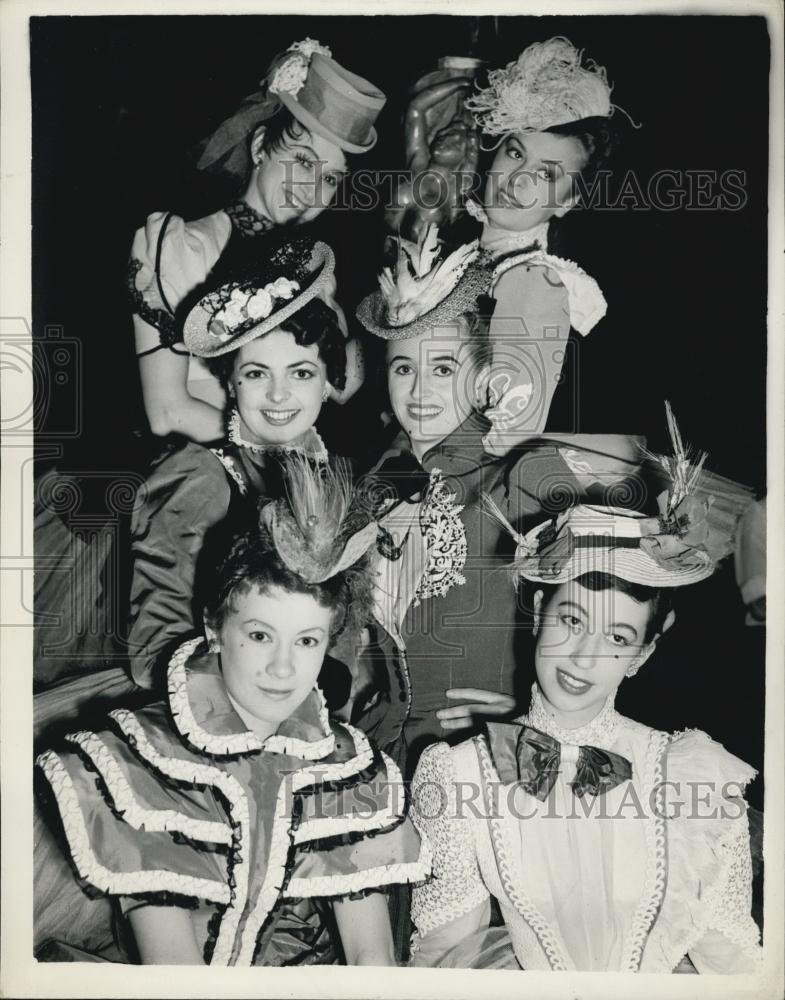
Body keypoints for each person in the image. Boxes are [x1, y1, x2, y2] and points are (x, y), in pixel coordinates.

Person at [34, 456, 431, 966]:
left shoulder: (348, 770)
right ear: (215, 629)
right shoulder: (145, 764)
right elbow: (174, 970)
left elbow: (372, 957)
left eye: (307, 640)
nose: (283, 668)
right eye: (260, 635)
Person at [409, 422, 762, 972]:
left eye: (617, 638)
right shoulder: (458, 774)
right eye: (571, 620)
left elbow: (734, 963)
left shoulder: (694, 775)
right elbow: (444, 957)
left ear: (642, 654)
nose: (582, 657)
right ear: (538, 615)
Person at [353, 225, 644, 780]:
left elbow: (647, 471)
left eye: (443, 368)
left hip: (486, 767)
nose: (420, 391)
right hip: (375, 764)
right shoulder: (368, 486)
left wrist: (535, 707)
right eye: (403, 368)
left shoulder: (519, 476)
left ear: (481, 374)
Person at [129, 38, 386, 442]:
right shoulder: (177, 245)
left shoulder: (313, 266)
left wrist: (396, 316)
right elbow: (166, 411)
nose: (313, 189)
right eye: (303, 160)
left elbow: (338, 388)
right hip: (204, 472)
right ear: (259, 146)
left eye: (331, 178)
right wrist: (281, 453)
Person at [127, 237, 354, 692]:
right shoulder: (199, 476)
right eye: (256, 373)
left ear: (328, 383)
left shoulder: (337, 485)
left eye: (301, 372)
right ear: (230, 383)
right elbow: (154, 651)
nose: (277, 395)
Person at [462, 37, 625, 454]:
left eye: (547, 175)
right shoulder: (467, 253)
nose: (518, 180)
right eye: (516, 153)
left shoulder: (535, 284)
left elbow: (505, 443)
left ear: (568, 202)